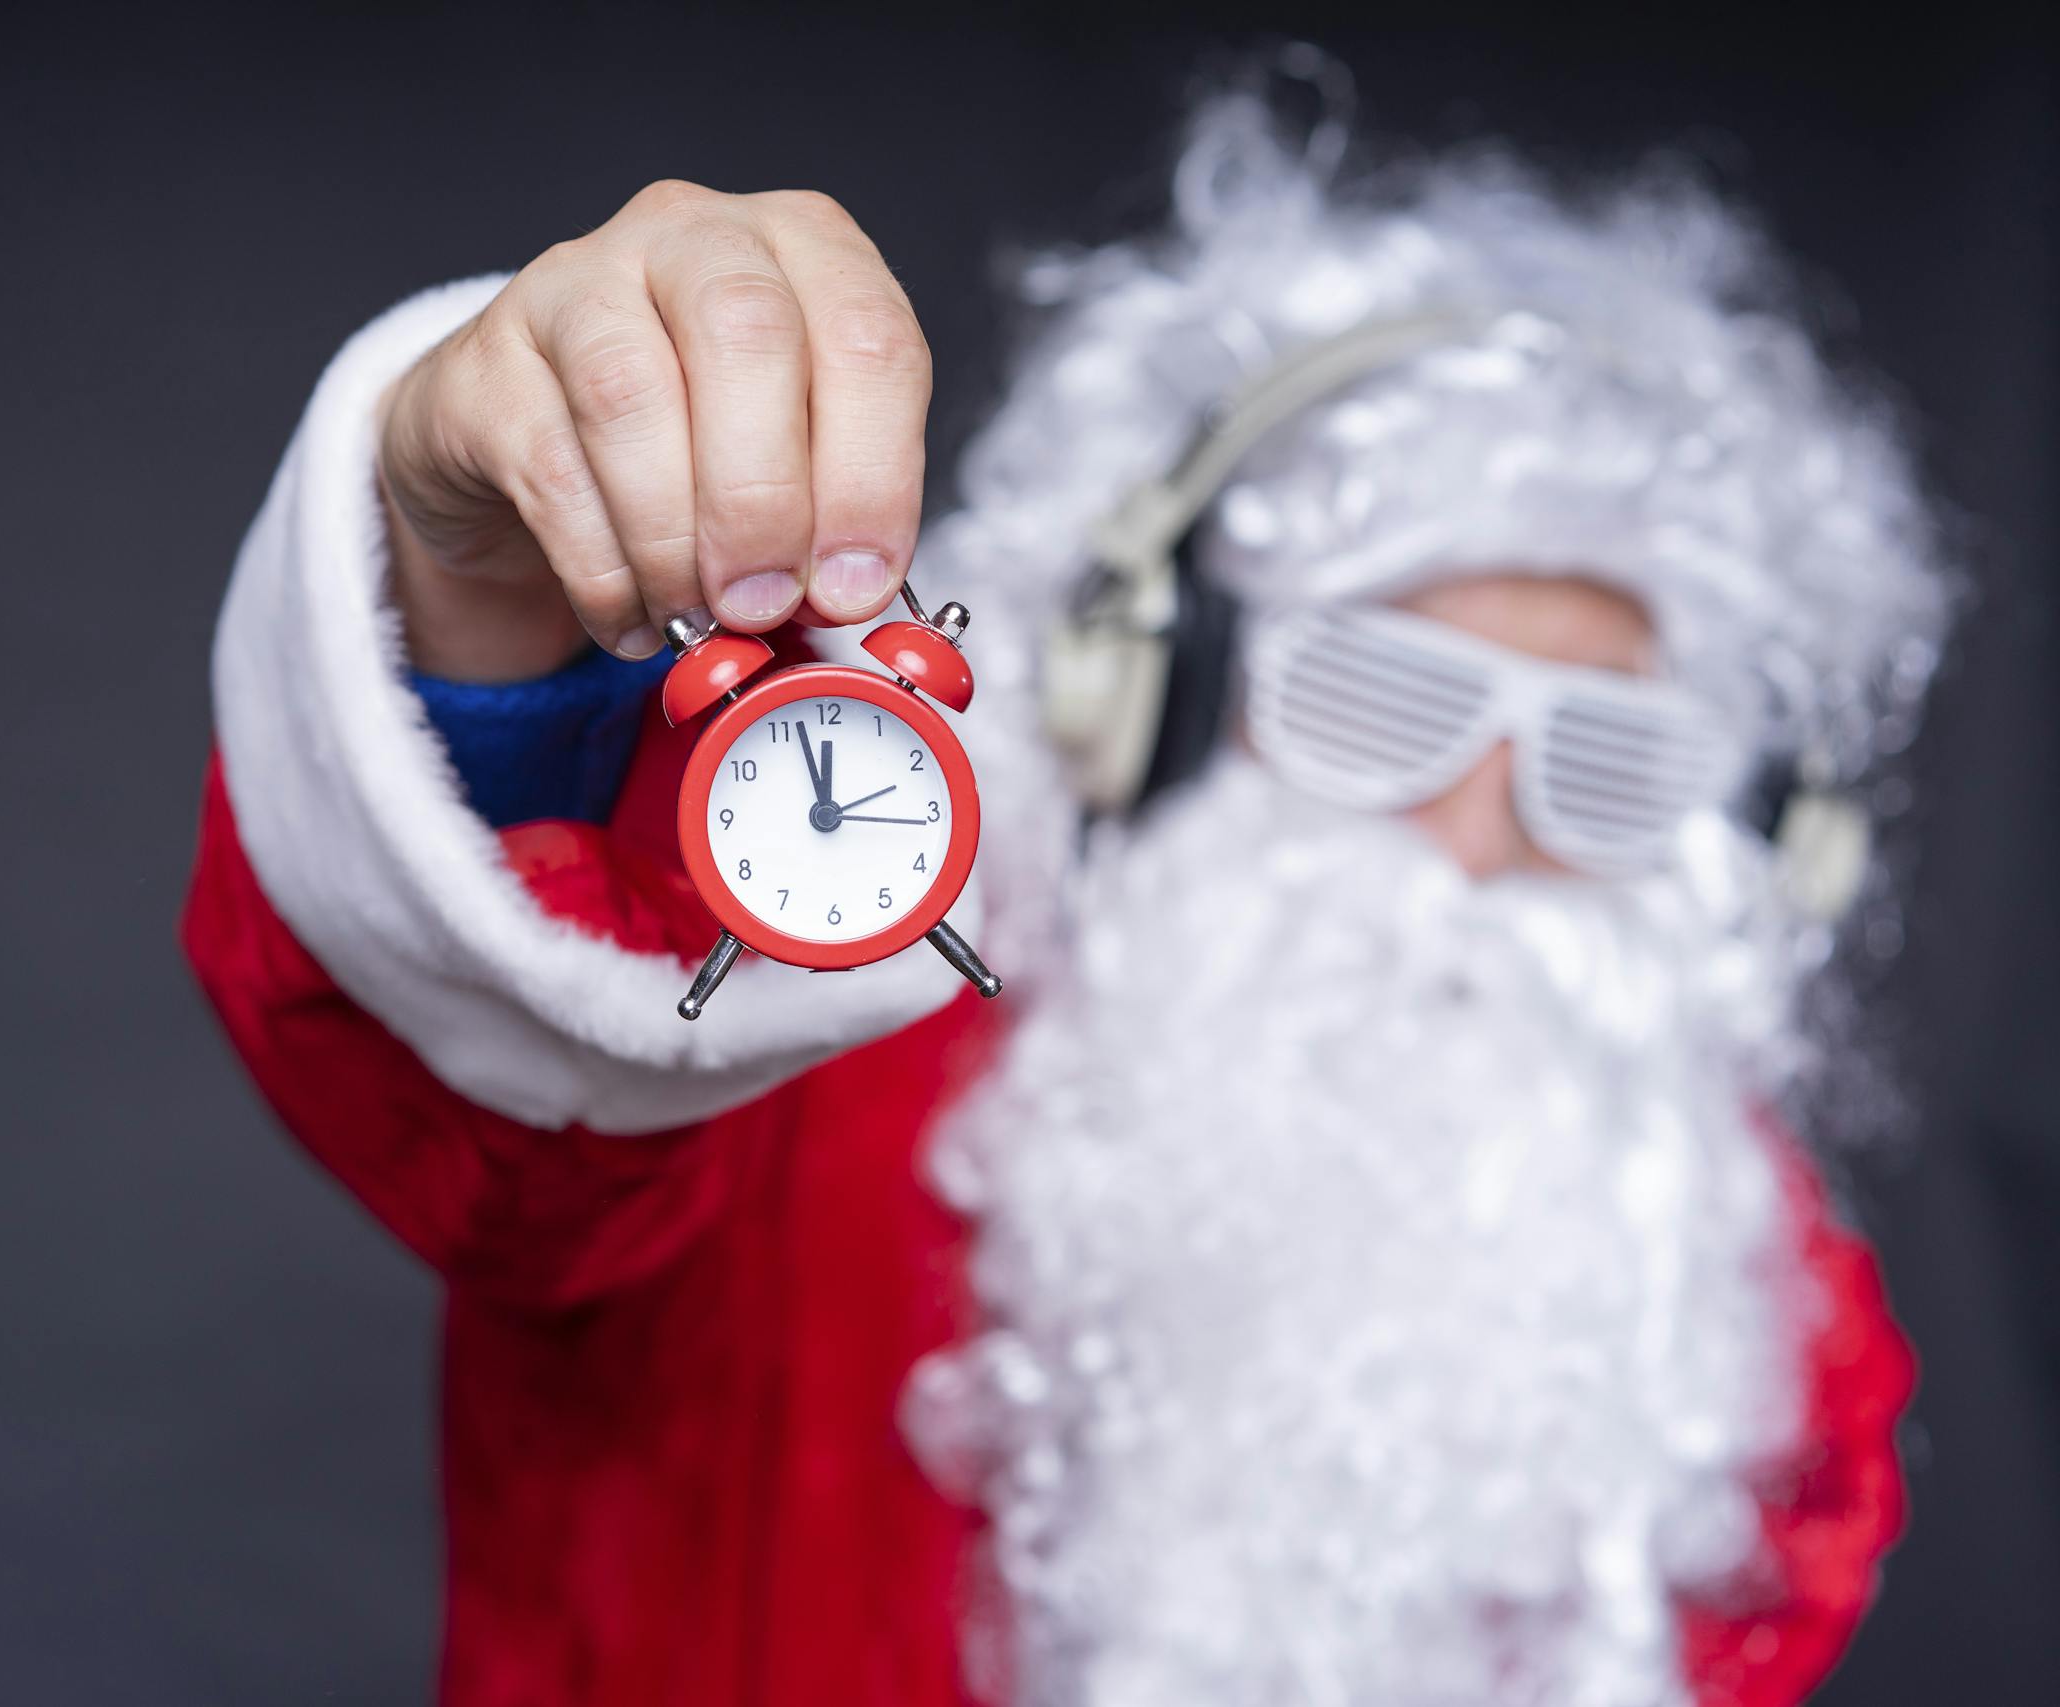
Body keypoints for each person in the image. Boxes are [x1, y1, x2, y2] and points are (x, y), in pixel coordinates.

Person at [181, 70, 1951, 1707]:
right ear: (1143, 702)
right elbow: (516, 1079)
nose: (1478, 833)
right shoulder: (785, 1045)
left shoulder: (1720, 1324)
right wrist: (479, 583)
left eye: (1614, 763)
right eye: (1376, 701)